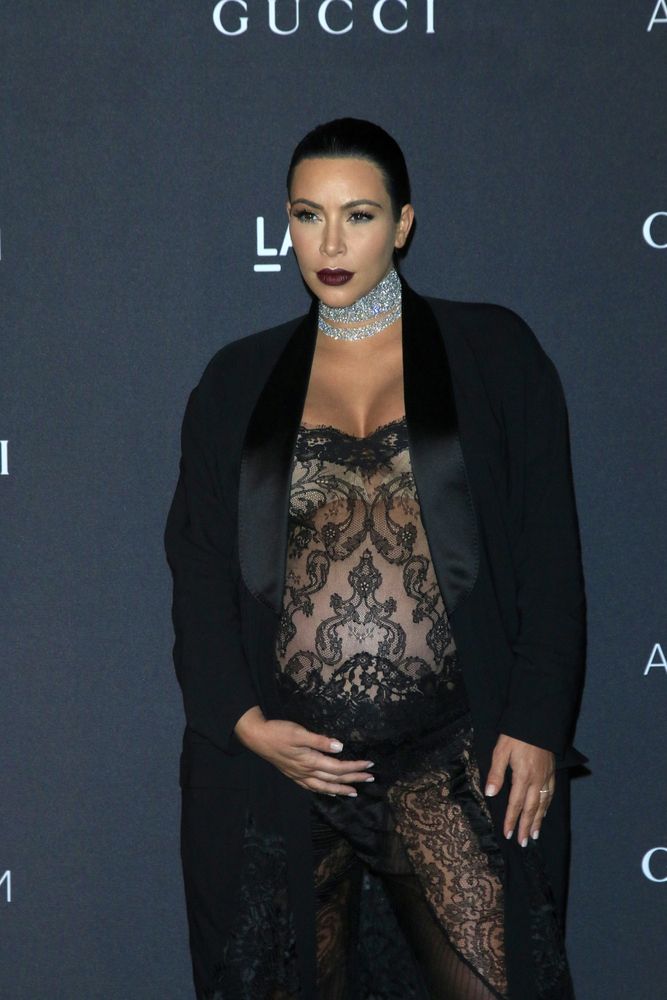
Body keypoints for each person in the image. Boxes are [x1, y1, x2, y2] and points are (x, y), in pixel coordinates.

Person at [164, 117, 589, 1000]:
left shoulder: (493, 353)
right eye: (306, 215)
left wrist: (536, 722)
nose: (329, 244)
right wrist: (243, 723)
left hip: (449, 758)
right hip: (287, 769)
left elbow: (549, 549)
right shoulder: (237, 380)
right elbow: (198, 567)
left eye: (356, 216)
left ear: (401, 224)